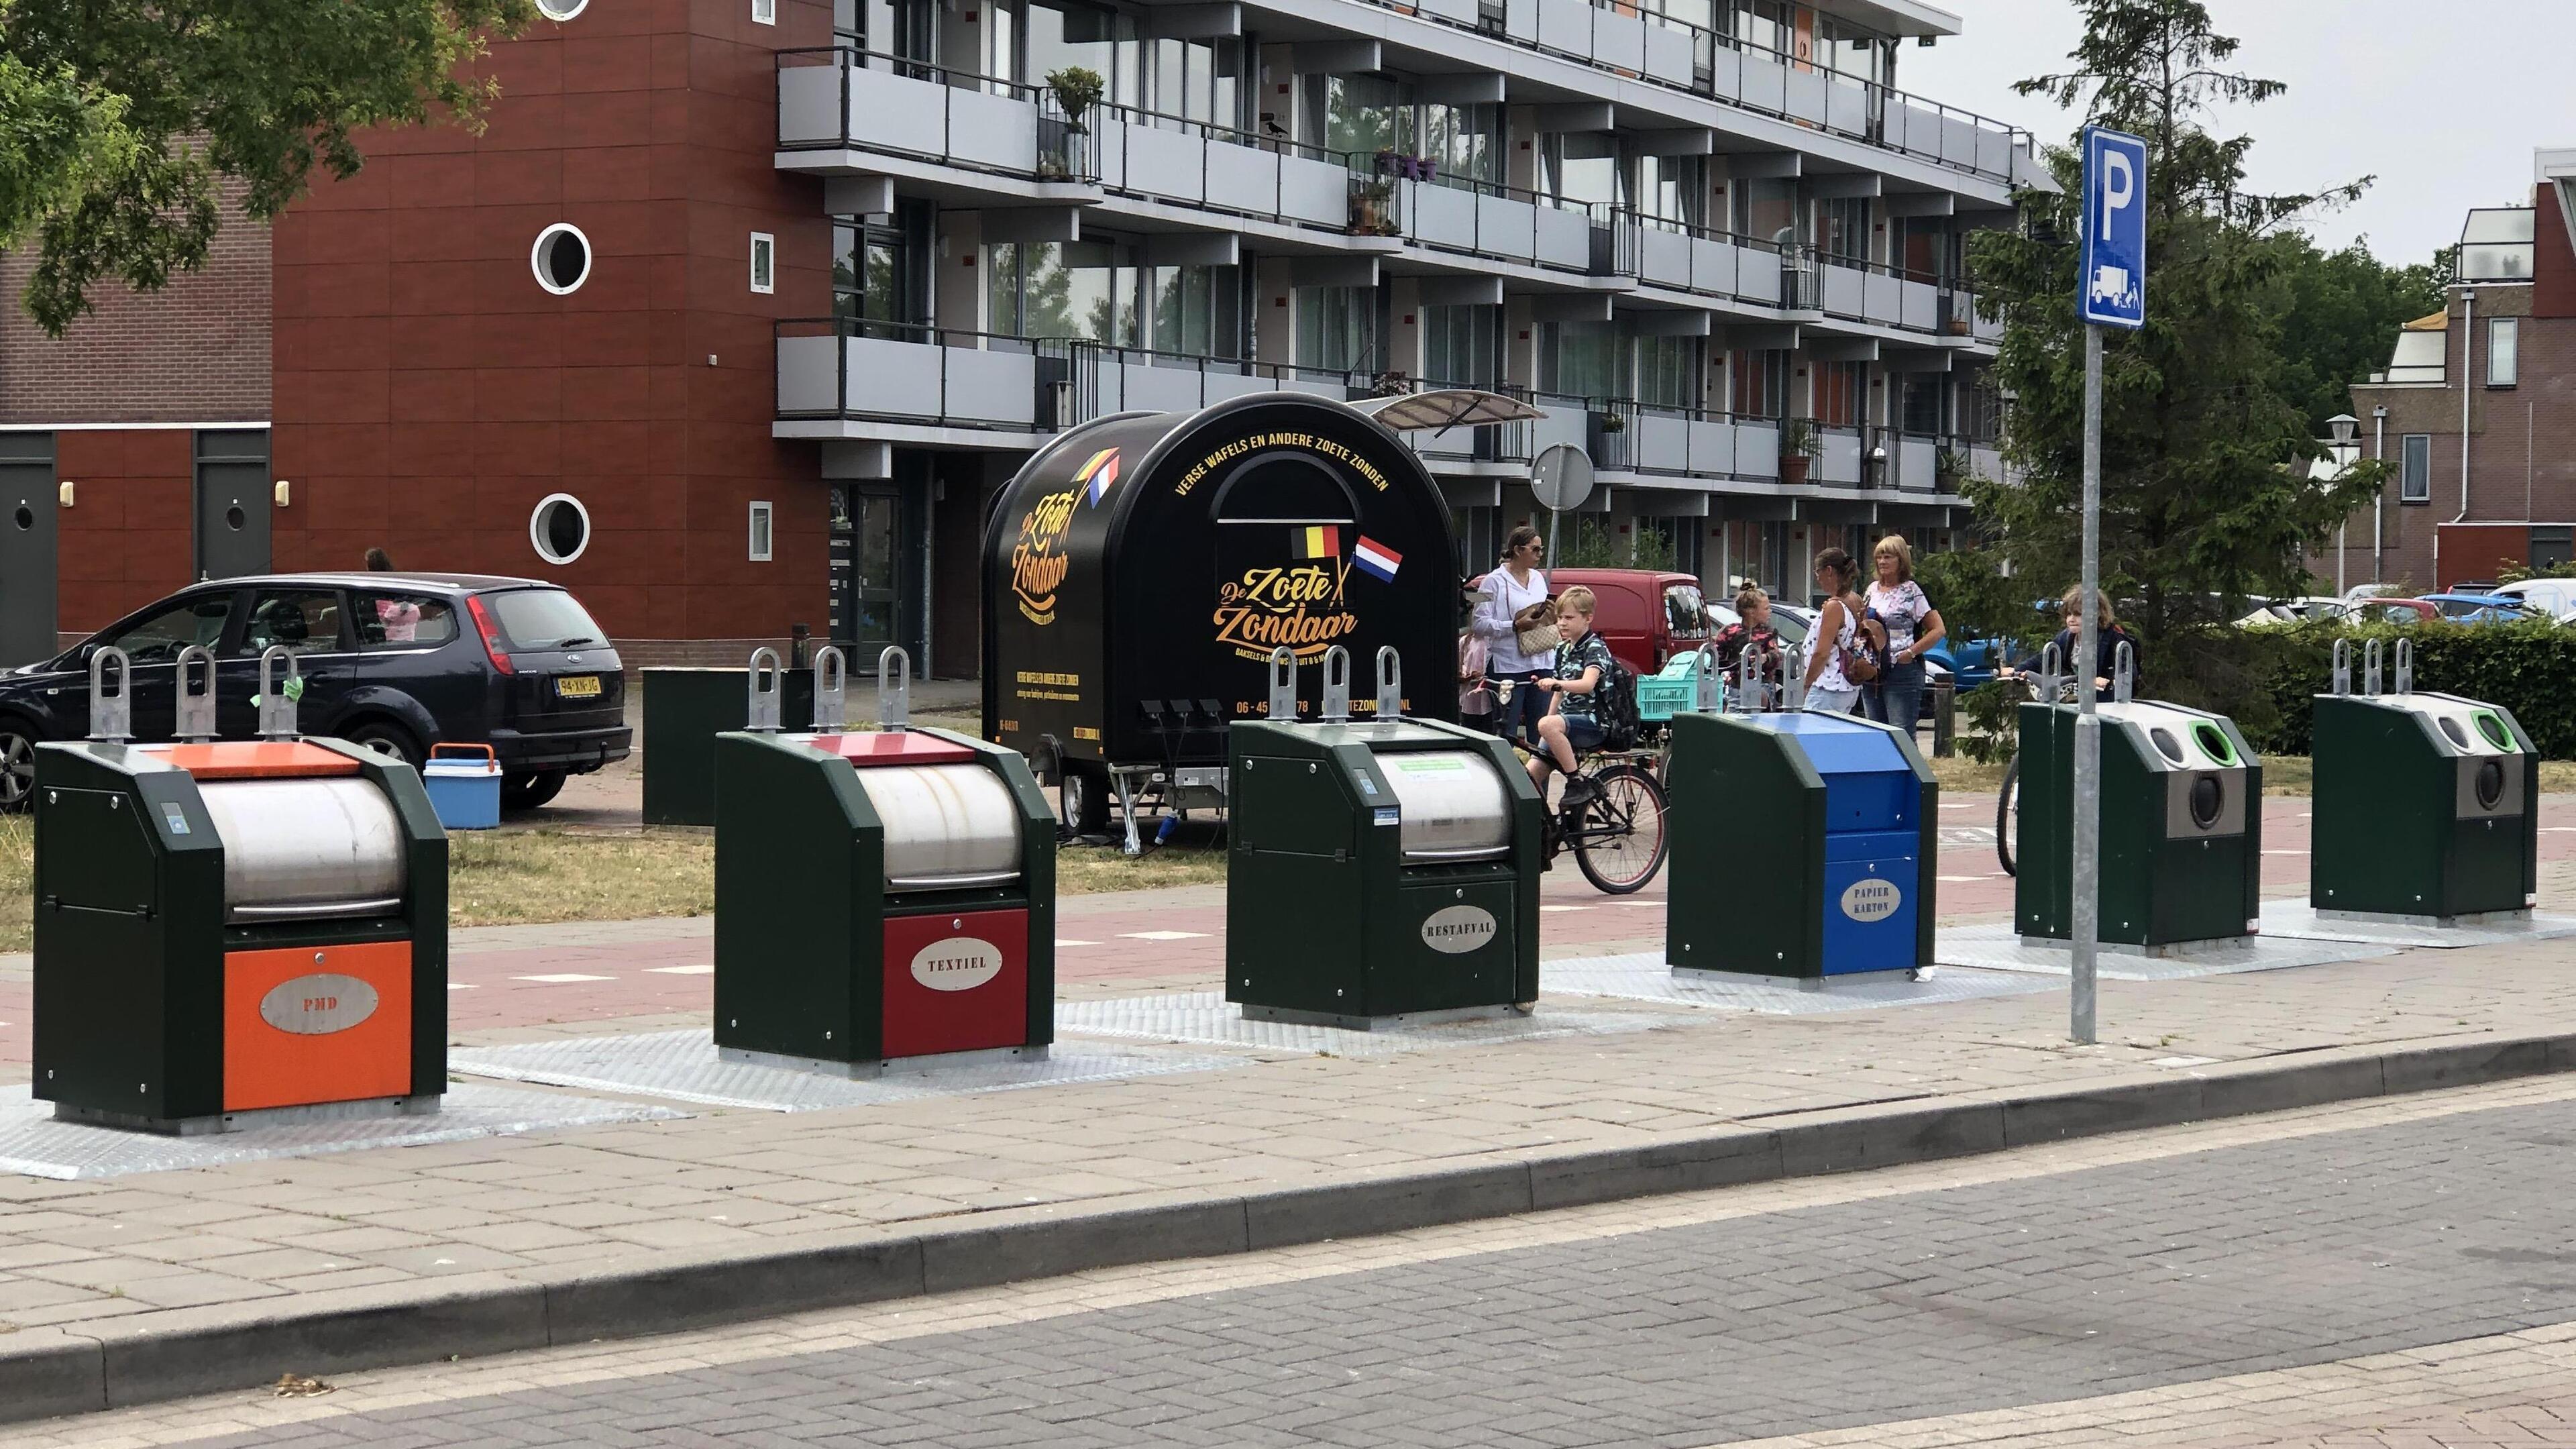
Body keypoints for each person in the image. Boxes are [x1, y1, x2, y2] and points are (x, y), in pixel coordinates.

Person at [1524, 586, 1612, 804]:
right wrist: (1547, 729)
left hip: (1593, 721)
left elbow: (1588, 684)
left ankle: (1576, 781)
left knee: (1547, 724)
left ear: (1588, 618)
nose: (1562, 622)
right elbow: (1558, 695)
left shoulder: (1595, 648)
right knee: (1527, 780)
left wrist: (1557, 684)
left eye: (1569, 617)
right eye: (1560, 617)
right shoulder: (1562, 650)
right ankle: (1543, 830)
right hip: (1563, 724)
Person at [1470, 525, 1552, 749]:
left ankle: (1538, 782)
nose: (1540, 555)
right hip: (1508, 665)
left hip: (1541, 660)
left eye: (1542, 550)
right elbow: (1478, 624)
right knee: (1506, 730)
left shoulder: (1538, 578)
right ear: (1518, 550)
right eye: (1535, 550)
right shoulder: (1491, 581)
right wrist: (1514, 625)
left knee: (1542, 729)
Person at [1860, 535, 1945, 733]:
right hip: (1872, 671)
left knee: (1901, 734)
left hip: (1902, 671)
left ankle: (1908, 766)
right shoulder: (1872, 590)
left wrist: (1910, 653)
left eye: (1888, 556)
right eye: (1879, 557)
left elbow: (1938, 629)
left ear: (1901, 560)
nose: (1882, 562)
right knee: (1876, 732)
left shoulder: (1912, 591)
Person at [1998, 586, 2141, 701]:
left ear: (2096, 615)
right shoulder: (2067, 637)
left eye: (2078, 615)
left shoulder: (2114, 639)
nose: (2072, 619)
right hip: (2081, 700)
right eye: (2069, 614)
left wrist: (2108, 682)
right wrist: (2017, 670)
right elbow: (2045, 658)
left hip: (2107, 705)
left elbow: (2128, 673)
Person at [1801, 549, 1868, 714]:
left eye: (1818, 571)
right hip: (1847, 685)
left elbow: (1821, 653)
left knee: (1812, 737)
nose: (1817, 577)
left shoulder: (1834, 607)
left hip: (1827, 686)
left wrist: (1806, 684)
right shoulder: (1855, 599)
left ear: (1829, 571)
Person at [1708, 585, 1784, 709]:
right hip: (1736, 686)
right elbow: (1716, 658)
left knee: (1759, 697)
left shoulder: (1769, 632)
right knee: (1731, 707)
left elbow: (1776, 657)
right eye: (1766, 608)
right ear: (1751, 612)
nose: (1770, 612)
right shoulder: (1730, 631)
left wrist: (1765, 658)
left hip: (1763, 684)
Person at [1457, 582, 1497, 733]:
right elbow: (1458, 669)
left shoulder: (1491, 642)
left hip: (1488, 699)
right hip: (1468, 699)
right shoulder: (1465, 641)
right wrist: (1466, 677)